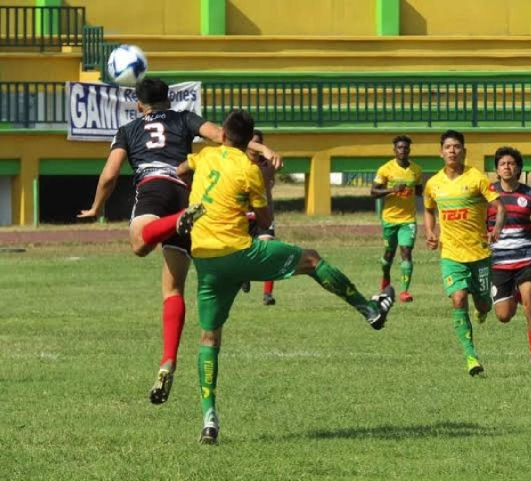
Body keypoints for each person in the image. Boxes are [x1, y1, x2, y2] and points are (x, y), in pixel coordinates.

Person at [177, 109, 395, 445]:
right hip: (240, 252)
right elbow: (264, 221)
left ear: (222, 134)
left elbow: (180, 170)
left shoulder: (203, 156)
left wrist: (198, 197)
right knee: (311, 259)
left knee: (209, 338)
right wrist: (264, 179)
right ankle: (369, 310)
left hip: (205, 259)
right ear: (249, 139)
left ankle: (209, 418)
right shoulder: (249, 170)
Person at [77, 78, 281, 405]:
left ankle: (175, 221)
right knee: (173, 288)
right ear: (168, 99)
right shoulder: (183, 117)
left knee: (139, 243)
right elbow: (223, 136)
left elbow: (110, 174)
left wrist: (96, 207)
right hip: (184, 193)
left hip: (155, 189)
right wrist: (261, 148)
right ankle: (167, 361)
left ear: (139, 104)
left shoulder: (128, 129)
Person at [423, 130, 505, 376]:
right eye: (448, 147)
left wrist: (496, 230)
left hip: (479, 254)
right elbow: (428, 208)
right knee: (458, 298)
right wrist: (429, 231)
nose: (452, 151)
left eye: (457, 147)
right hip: (450, 254)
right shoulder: (433, 184)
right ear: (441, 152)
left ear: (464, 151)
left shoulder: (476, 177)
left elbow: (499, 208)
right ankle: (471, 357)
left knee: (482, 303)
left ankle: (482, 310)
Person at [488, 146, 531, 368]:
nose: (507, 167)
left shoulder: (530, 195)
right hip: (499, 263)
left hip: (525, 258)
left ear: (518, 169)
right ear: (497, 170)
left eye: (511, 163)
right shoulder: (488, 196)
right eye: (502, 164)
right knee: (503, 316)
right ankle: (514, 294)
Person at [371, 135, 423, 303]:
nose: (403, 150)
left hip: (408, 220)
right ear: (394, 150)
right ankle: (385, 277)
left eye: (406, 148)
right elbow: (373, 192)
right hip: (389, 219)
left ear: (409, 150)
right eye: (399, 148)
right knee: (389, 255)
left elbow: (421, 191)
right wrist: (392, 190)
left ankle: (404, 292)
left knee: (406, 252)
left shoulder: (416, 170)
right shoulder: (385, 169)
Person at [240, 129, 278, 306]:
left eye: (258, 143)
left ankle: (267, 294)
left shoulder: (267, 164)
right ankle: (244, 275)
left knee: (268, 250)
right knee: (243, 251)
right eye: (251, 143)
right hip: (243, 215)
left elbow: (270, 184)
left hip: (263, 212)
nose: (254, 148)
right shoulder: (239, 164)